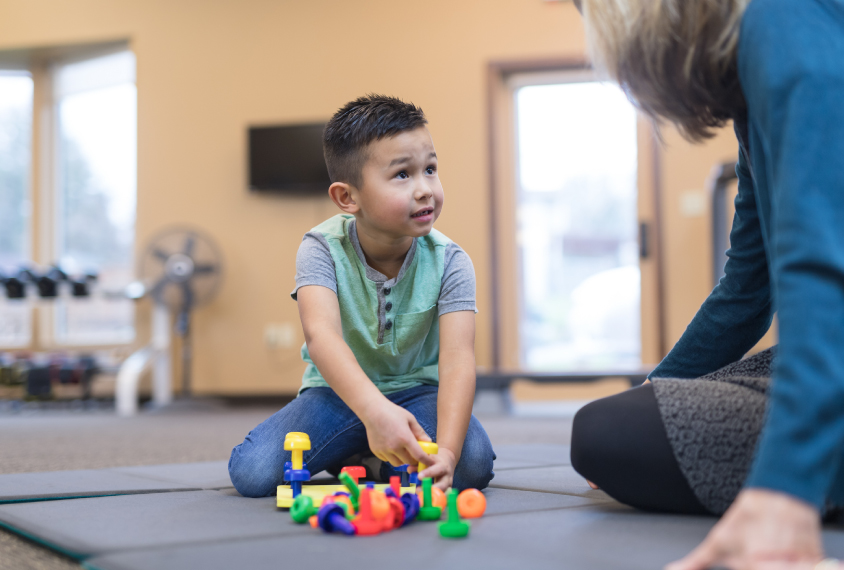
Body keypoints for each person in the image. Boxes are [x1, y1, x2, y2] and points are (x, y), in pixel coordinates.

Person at [568, 0, 844, 568]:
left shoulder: (781, 20)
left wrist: (785, 489)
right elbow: (747, 289)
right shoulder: (753, 100)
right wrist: (656, 386)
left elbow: (821, 273)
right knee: (633, 412)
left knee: (607, 433)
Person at [228, 95, 495, 497]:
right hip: (335, 394)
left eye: (430, 169)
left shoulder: (452, 261)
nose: (425, 189)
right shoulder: (320, 248)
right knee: (253, 472)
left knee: (472, 464)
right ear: (347, 198)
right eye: (402, 175)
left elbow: (458, 360)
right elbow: (323, 339)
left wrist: (450, 454)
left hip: (418, 393)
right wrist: (373, 412)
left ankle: (367, 455)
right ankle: (365, 445)